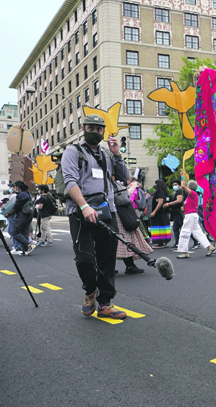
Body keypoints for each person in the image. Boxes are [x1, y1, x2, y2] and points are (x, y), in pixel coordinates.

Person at [62, 114, 130, 319]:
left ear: (103, 131)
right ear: (84, 128)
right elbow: (70, 181)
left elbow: (124, 178)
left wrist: (117, 154)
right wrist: (83, 206)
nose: (95, 132)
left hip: (107, 213)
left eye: (99, 129)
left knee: (107, 259)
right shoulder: (73, 152)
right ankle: (90, 290)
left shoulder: (107, 155)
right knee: (84, 259)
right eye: (91, 128)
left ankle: (105, 304)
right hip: (80, 213)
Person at [175, 174, 215, 259]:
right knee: (198, 233)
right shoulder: (191, 196)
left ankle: (185, 252)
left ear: (189, 187)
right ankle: (209, 247)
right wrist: (184, 208)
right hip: (191, 215)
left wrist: (182, 176)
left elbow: (182, 186)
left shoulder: (193, 194)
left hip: (190, 216)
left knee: (184, 233)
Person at [5, 181, 36, 256]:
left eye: (15, 187)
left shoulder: (20, 195)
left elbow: (17, 206)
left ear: (18, 187)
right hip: (28, 215)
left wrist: (9, 213)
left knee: (15, 232)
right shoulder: (27, 194)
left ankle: (29, 244)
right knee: (24, 232)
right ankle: (25, 250)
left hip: (22, 215)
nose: (14, 188)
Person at [149, 180, 171, 247]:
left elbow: (160, 202)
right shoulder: (164, 192)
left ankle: (160, 242)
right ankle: (164, 241)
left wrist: (154, 211)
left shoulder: (160, 192)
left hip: (159, 213)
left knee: (158, 227)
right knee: (163, 227)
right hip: (163, 213)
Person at [168, 180, 184, 248]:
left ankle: (196, 241)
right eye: (173, 185)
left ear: (179, 185)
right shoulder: (176, 192)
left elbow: (179, 200)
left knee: (183, 227)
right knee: (175, 227)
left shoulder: (180, 191)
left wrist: (168, 204)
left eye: (176, 184)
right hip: (175, 212)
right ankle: (177, 242)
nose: (174, 186)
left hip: (178, 212)